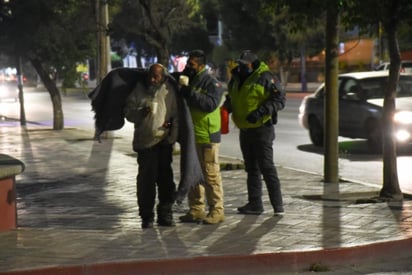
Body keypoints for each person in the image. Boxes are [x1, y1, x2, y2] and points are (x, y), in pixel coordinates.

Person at [223, 50, 286, 216]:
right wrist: (228, 107)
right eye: (240, 63)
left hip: (262, 129)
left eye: (245, 64)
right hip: (245, 129)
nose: (242, 66)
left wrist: (261, 112)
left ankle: (278, 206)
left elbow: (279, 100)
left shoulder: (265, 77)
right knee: (251, 168)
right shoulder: (236, 78)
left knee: (266, 166)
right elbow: (233, 97)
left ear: (253, 63)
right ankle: (255, 203)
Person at [123, 63, 179, 229]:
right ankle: (146, 216)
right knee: (146, 182)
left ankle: (165, 214)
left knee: (166, 180)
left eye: (157, 76)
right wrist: (140, 113)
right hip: (145, 143)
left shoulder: (169, 91)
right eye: (151, 76)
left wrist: (171, 138)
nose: (153, 79)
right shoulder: (139, 89)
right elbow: (128, 113)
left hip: (163, 143)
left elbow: (176, 116)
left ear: (163, 77)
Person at [178, 49, 225, 224]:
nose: (188, 67)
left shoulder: (212, 83)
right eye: (188, 63)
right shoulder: (191, 79)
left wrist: (189, 92)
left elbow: (210, 104)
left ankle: (217, 210)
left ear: (201, 65)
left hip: (207, 136)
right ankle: (196, 209)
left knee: (210, 174)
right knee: (193, 174)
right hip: (192, 136)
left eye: (192, 64)